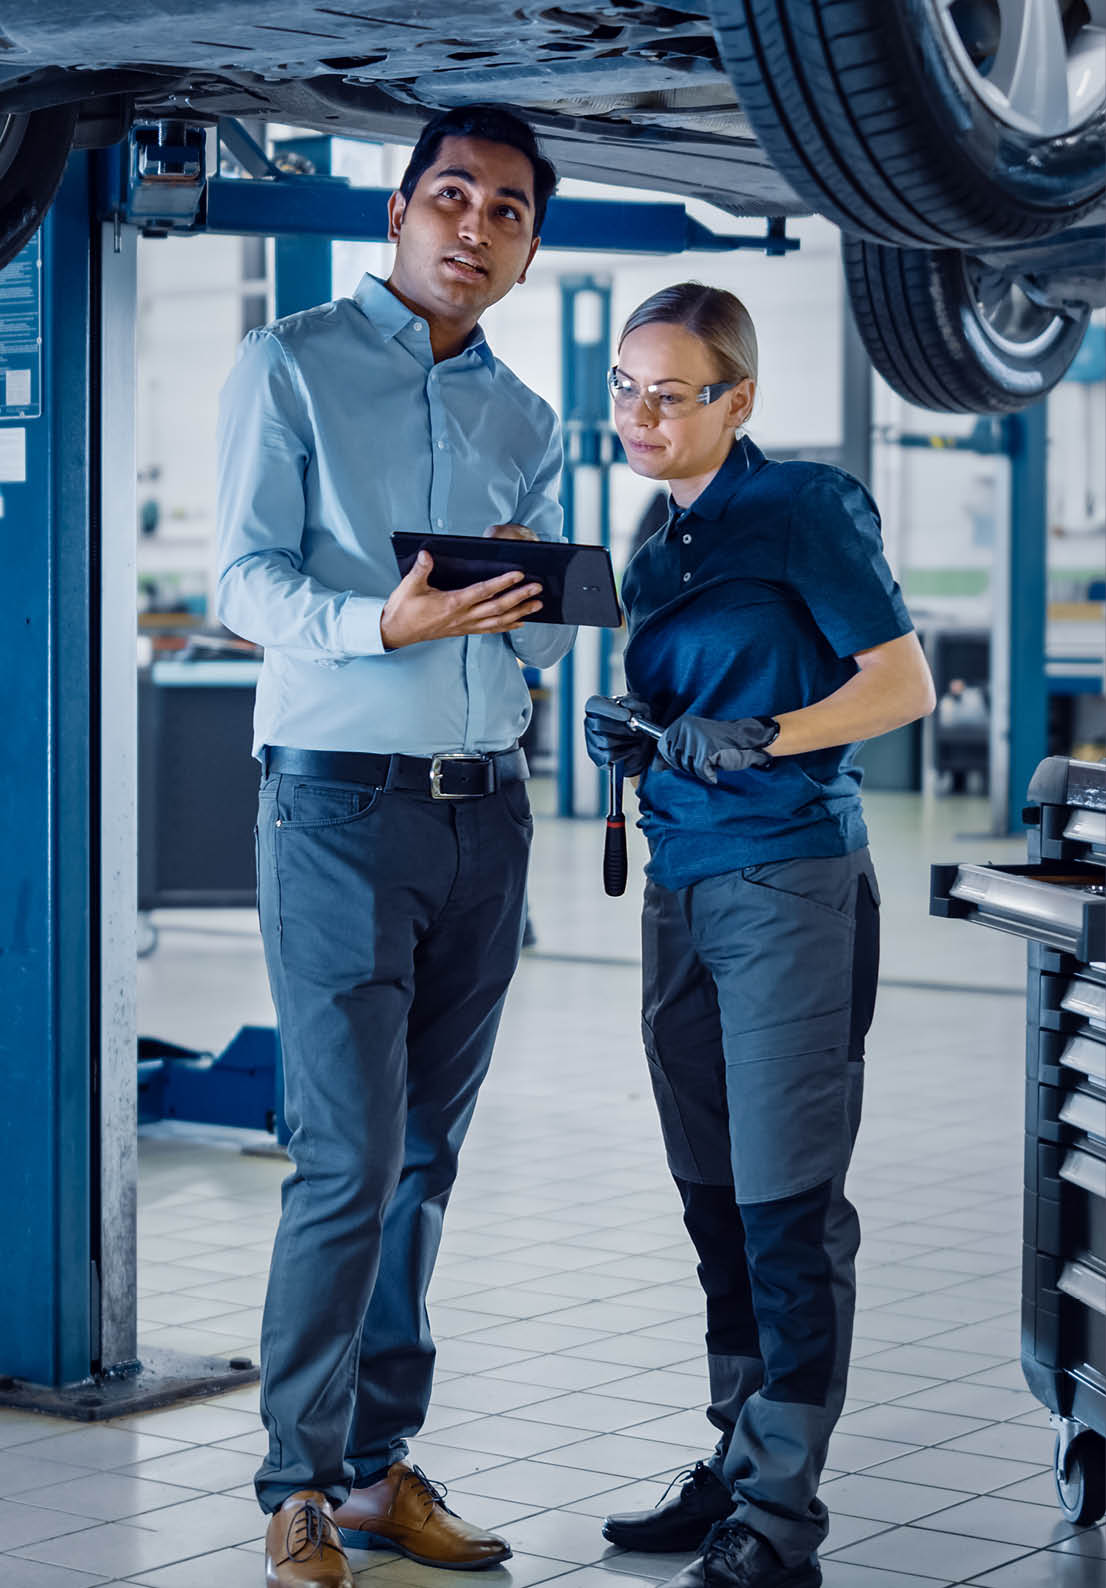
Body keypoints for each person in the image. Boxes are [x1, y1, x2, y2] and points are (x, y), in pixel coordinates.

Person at [215, 104, 572, 1585]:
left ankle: (374, 1469)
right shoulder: (289, 362)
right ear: (398, 210)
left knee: (424, 1156)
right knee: (347, 1159)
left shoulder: (529, 418)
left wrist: (530, 648)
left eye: (504, 211)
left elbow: (530, 608)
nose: (472, 229)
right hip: (338, 811)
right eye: (450, 196)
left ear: (528, 244)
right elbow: (241, 577)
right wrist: (383, 620)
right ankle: (294, 1483)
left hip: (484, 812)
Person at [584, 283, 935, 1588]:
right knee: (715, 1200)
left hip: (786, 882)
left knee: (787, 1207)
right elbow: (691, 685)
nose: (641, 415)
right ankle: (737, 1458)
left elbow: (900, 681)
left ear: (738, 401)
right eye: (626, 388)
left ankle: (779, 1521)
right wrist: (629, 724)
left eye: (671, 393)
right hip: (678, 887)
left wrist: (764, 739)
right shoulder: (651, 531)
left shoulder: (805, 508)